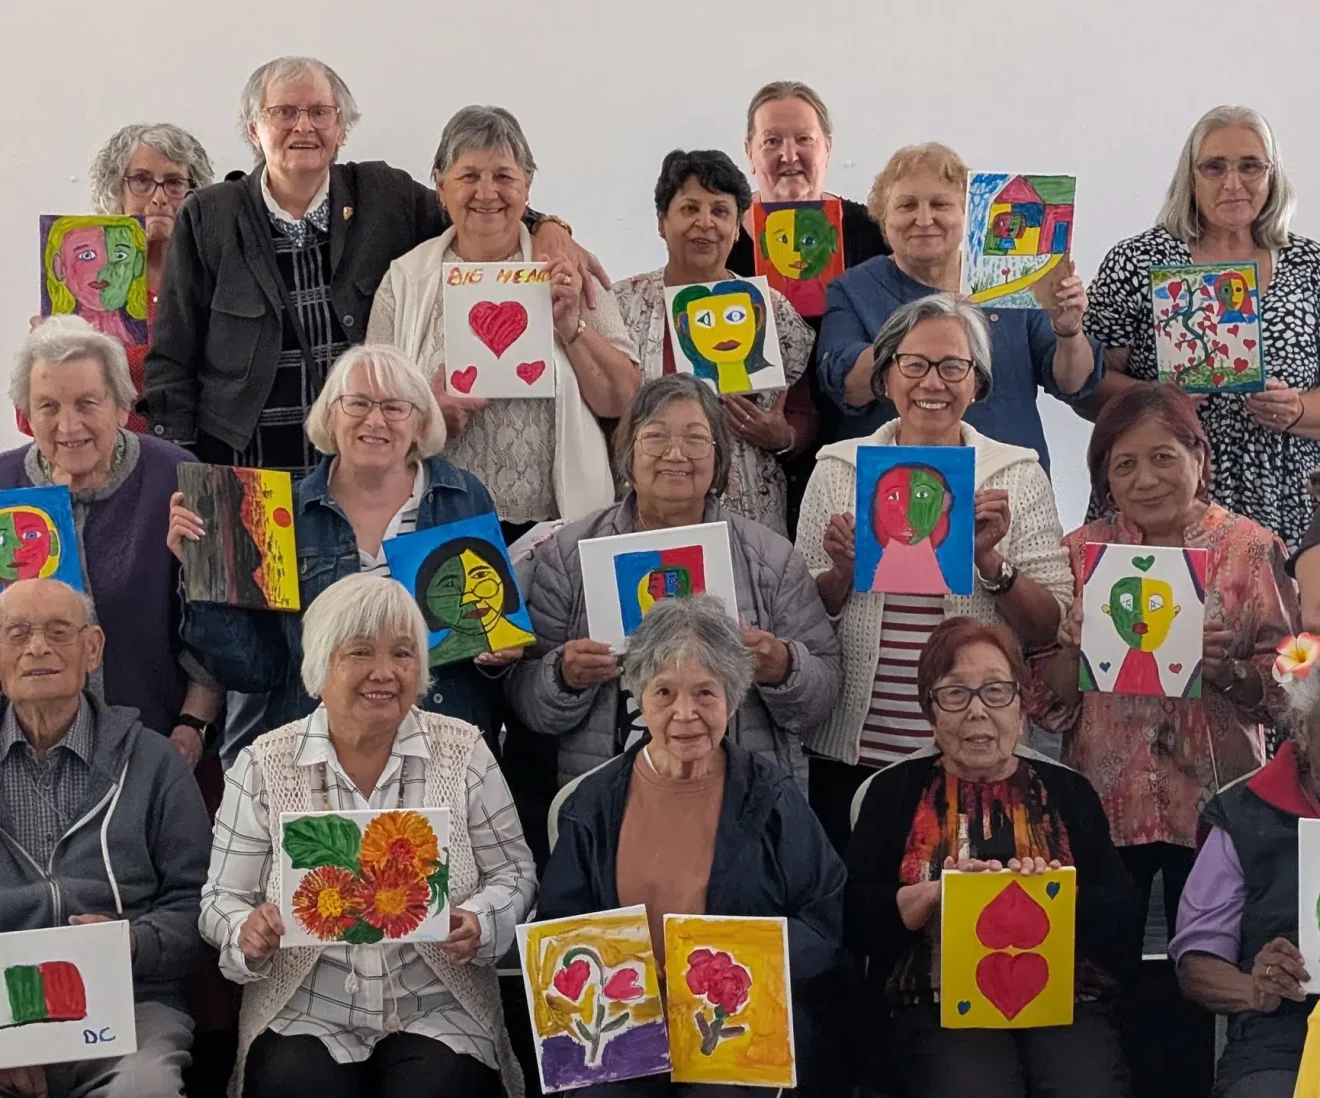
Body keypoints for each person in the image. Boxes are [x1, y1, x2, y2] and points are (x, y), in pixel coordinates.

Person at [146, 56, 600, 479]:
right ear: (253, 129)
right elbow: (172, 359)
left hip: (361, 469)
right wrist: (182, 469)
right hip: (248, 465)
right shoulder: (209, 216)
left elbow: (474, 211)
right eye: (284, 112)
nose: (303, 126)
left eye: (320, 112)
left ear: (341, 128)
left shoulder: (384, 196)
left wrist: (548, 227)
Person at [1037, 382, 1298, 1098]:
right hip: (1104, 799)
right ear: (1104, 478)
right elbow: (1049, 699)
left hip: (1214, 804)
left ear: (1199, 457)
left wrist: (1227, 672)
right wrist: (1067, 645)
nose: (1145, 479)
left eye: (1162, 457)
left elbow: (1290, 689)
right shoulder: (1082, 552)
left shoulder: (1250, 549)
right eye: (1123, 466)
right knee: (1105, 974)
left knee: (1197, 981)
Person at [199, 573, 535, 1098]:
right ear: (320, 666)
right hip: (304, 1004)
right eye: (360, 652)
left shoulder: (463, 750)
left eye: (402, 654)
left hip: (439, 1001)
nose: (384, 673)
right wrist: (246, 930)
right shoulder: (264, 763)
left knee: (438, 1088)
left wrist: (483, 920)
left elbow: (514, 872)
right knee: (296, 1085)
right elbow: (221, 898)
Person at [795, 293, 1073, 852]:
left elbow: (1051, 623)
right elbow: (801, 616)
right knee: (861, 914)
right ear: (887, 375)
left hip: (975, 750)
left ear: (977, 383)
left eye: (953, 367)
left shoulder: (1015, 474)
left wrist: (988, 561)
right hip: (854, 747)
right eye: (914, 364)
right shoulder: (838, 468)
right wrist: (843, 573)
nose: (933, 382)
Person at [538, 595, 847, 1097]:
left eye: (706, 693)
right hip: (623, 1023)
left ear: (733, 695)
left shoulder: (771, 799)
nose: (686, 714)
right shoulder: (595, 804)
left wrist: (748, 963)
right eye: (664, 692)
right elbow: (561, 924)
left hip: (737, 1021)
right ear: (638, 693)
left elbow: (823, 917)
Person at [846, 616, 1141, 1098]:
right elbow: (850, 918)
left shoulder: (1069, 793)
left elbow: (1124, 922)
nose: (977, 712)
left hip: (1063, 1000)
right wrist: (918, 901)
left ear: (1021, 707)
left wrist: (1059, 895)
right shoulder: (892, 793)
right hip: (934, 1003)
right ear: (931, 712)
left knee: (1083, 1086)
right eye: (955, 694)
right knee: (973, 1085)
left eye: (996, 691)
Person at [173, 344, 504, 765]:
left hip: (441, 744)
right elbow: (254, 671)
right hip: (318, 750)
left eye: (394, 407)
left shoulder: (464, 497)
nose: (375, 419)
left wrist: (498, 656)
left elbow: (489, 646)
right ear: (330, 415)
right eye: (358, 403)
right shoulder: (281, 515)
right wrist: (201, 572)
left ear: (421, 424)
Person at [507, 374, 842, 789]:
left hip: (738, 797)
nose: (676, 453)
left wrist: (782, 666)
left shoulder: (770, 558)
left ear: (719, 460)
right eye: (656, 437)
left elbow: (822, 697)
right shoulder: (568, 554)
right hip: (609, 798)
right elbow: (526, 700)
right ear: (628, 453)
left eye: (696, 439)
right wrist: (564, 676)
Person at [368, 104, 638, 534]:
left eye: (504, 176)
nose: (487, 192)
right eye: (469, 176)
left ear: (528, 187)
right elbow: (371, 415)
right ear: (440, 185)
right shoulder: (404, 280)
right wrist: (426, 418)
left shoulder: (567, 268)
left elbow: (624, 401)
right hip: (436, 523)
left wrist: (571, 328)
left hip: (556, 527)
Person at [0, 578, 213, 1098]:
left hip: (132, 1006)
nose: (37, 648)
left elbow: (200, 902)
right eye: (17, 633)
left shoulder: (155, 763)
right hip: (2, 1006)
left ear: (92, 649)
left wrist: (133, 943)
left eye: (58, 632)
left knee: (146, 1088)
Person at [1085, 104, 1320, 549]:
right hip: (1159, 496)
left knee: (1279, 618)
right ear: (1191, 178)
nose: (1233, 183)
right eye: (1214, 167)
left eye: (1251, 166)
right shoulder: (1137, 262)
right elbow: (1085, 386)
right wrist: (1155, 399)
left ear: (1273, 176)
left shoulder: (1310, 266)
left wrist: (1298, 411)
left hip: (1284, 498)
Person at [0, 317, 221, 763]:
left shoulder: (174, 476)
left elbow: (215, 621)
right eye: (48, 406)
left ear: (122, 405)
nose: (68, 425)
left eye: (87, 403)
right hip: (21, 758)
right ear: (27, 414)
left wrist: (194, 725)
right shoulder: (4, 485)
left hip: (154, 749)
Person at [814, 142, 1103, 471]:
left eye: (940, 204)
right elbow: (846, 387)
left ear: (968, 214)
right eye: (907, 205)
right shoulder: (853, 289)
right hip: (896, 487)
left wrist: (1069, 330)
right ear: (882, 218)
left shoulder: (1011, 280)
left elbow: (1073, 383)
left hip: (1008, 479)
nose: (924, 219)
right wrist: (928, 329)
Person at [613, 149, 813, 536]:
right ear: (661, 222)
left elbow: (805, 410)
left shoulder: (770, 309)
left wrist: (782, 437)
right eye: (690, 209)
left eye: (720, 212)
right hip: (647, 509)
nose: (705, 224)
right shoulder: (621, 304)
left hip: (749, 515)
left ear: (737, 228)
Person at [727, 80, 892, 531]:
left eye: (804, 139)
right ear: (749, 151)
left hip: (854, 443)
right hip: (748, 454)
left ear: (828, 146)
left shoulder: (870, 232)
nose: (789, 155)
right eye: (772, 141)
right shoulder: (722, 239)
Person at [1170, 657, 1320, 1098]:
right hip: (1284, 1038)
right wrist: (1254, 989)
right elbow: (1195, 962)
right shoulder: (1243, 812)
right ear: (1306, 734)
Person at [19, 125, 216, 438]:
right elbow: (33, 421)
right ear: (116, 191)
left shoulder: (216, 281)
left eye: (175, 183)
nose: (159, 198)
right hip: (102, 463)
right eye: (142, 181)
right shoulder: (85, 288)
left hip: (195, 463)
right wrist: (47, 356)